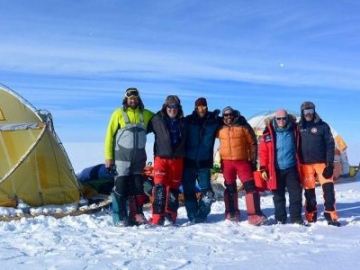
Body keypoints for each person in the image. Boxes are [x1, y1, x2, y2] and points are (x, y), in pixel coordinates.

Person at [104, 87, 153, 226]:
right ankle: (119, 216)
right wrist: (108, 157)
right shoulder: (118, 113)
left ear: (138, 99)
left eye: (135, 98)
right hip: (121, 157)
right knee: (121, 185)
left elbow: (160, 120)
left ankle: (136, 214)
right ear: (126, 99)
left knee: (138, 185)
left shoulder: (146, 114)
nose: (133, 100)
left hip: (139, 158)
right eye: (130, 98)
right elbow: (109, 136)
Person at [217, 106, 266, 225]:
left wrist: (253, 161)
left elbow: (253, 143)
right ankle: (231, 212)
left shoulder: (243, 125)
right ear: (223, 117)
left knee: (250, 187)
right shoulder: (219, 127)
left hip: (242, 161)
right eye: (226, 115)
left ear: (234, 115)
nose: (228, 117)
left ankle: (254, 214)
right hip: (227, 162)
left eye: (230, 115)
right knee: (230, 188)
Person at [298, 101, 340, 226]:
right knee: (309, 191)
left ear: (314, 111)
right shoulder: (299, 126)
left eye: (311, 111)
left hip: (322, 163)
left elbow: (330, 145)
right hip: (305, 164)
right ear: (302, 112)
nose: (308, 114)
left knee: (328, 189)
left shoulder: (323, 126)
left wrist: (330, 164)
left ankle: (330, 214)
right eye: (306, 111)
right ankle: (311, 214)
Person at [259, 109, 303, 224]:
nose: (281, 121)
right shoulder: (268, 133)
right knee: (278, 196)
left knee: (296, 194)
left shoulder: (295, 130)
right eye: (279, 118)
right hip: (275, 170)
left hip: (291, 168)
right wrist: (263, 168)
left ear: (287, 118)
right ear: (275, 119)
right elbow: (263, 152)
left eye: (284, 118)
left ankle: (296, 218)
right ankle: (280, 218)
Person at [148, 95, 187, 225]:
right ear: (165, 107)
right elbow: (141, 128)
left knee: (174, 189)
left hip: (177, 160)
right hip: (161, 158)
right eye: (170, 106)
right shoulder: (156, 119)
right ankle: (157, 218)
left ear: (178, 108)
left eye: (175, 107)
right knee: (159, 188)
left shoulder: (183, 122)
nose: (172, 109)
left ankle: (171, 215)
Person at [183, 97, 221, 223]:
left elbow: (229, 120)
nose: (202, 108)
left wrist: (239, 118)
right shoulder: (188, 121)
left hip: (204, 163)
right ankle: (193, 215)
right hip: (189, 162)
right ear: (195, 107)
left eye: (204, 106)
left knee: (208, 193)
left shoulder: (213, 121)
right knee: (189, 191)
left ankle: (202, 214)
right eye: (199, 106)